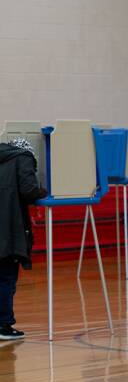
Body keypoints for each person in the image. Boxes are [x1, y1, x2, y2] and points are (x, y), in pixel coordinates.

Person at [0, 138, 47, 340]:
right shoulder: (23, 157)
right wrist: (42, 191)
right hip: (8, 230)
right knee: (6, 277)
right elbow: (28, 191)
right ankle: (3, 325)